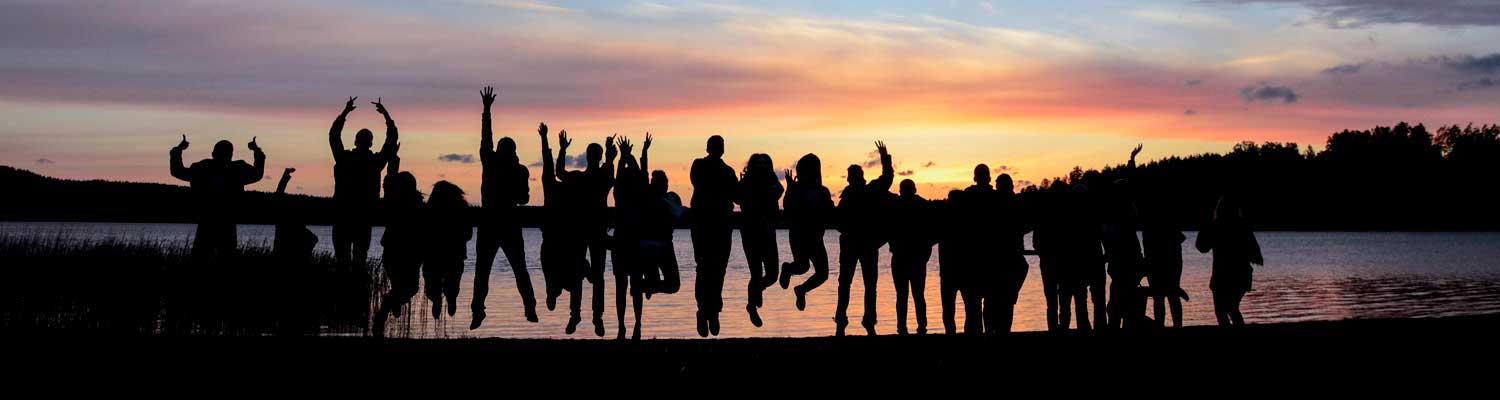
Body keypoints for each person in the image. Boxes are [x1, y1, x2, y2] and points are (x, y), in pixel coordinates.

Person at [472, 86, 538, 330]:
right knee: (518, 269)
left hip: (492, 222)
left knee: (483, 272)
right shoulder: (519, 170)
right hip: (507, 223)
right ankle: (529, 306)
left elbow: (485, 138)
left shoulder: (491, 163)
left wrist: (487, 111)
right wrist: (487, 111)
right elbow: (523, 199)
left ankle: (478, 311)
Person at [558, 133, 616, 338]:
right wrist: (610, 155)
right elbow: (561, 174)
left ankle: (584, 316)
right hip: (589, 231)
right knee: (591, 275)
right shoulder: (590, 178)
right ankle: (590, 317)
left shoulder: (581, 178)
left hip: (588, 231)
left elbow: (559, 173)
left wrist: (563, 149)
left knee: (583, 275)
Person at [328, 96, 398, 266]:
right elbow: (391, 140)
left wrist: (345, 112)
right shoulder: (375, 162)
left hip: (343, 216)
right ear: (371, 143)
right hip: (363, 218)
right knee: (360, 260)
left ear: (356, 141)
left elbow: (333, 135)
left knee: (342, 261)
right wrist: (386, 116)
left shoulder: (344, 159)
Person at [169, 134, 265, 258]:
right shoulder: (236, 170)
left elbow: (178, 171)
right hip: (220, 221)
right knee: (218, 256)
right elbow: (257, 173)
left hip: (213, 221)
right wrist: (256, 151)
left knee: (206, 256)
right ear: (231, 155)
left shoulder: (204, 168)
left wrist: (179, 149)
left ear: (213, 153)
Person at [835, 141, 894, 336]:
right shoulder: (865, 192)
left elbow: (886, 178)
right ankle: (855, 320)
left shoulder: (859, 193)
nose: (853, 179)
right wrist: (885, 159)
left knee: (850, 283)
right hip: (861, 244)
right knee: (859, 284)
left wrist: (885, 159)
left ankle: (851, 320)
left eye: (853, 175)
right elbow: (886, 178)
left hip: (861, 244)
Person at [538, 124, 588, 335]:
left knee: (570, 279)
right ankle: (561, 298)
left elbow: (551, 170)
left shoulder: (556, 192)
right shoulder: (565, 194)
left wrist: (551, 143)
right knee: (571, 280)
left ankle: (566, 303)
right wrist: (550, 144)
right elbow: (551, 169)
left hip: (560, 243)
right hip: (561, 243)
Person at [690, 135, 737, 337]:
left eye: (721, 145)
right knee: (705, 268)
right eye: (718, 145)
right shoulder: (700, 165)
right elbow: (699, 184)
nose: (720, 148)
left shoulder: (728, 171)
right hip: (704, 224)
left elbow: (736, 195)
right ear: (709, 147)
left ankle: (712, 311)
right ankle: (704, 311)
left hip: (721, 225)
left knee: (717, 270)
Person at [372, 151, 423, 337]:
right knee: (409, 288)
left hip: (397, 253)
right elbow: (389, 182)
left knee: (404, 287)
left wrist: (393, 162)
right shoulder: (414, 205)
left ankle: (389, 305)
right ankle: (388, 306)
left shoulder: (394, 202)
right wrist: (393, 162)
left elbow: (389, 183)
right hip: (405, 253)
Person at [1197, 195, 1262, 327]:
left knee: (1223, 310)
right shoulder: (1242, 226)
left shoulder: (1217, 225)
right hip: (1241, 275)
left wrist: (1205, 225)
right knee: (1231, 308)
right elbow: (1256, 255)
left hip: (1222, 275)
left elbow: (1202, 247)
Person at [781, 154, 834, 312]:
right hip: (799, 235)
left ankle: (801, 289)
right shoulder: (797, 189)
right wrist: (790, 189)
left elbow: (829, 211)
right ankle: (788, 270)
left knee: (822, 273)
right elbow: (788, 209)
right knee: (803, 266)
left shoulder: (822, 191)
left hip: (815, 237)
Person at [735, 153, 783, 328]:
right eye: (758, 163)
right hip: (750, 232)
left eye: (765, 163)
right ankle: (751, 305)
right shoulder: (746, 182)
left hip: (768, 232)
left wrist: (771, 177)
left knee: (772, 275)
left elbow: (780, 191)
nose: (762, 165)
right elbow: (737, 198)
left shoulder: (771, 183)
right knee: (755, 273)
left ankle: (756, 292)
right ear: (752, 165)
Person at [1103, 145, 1147, 329]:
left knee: (1117, 304)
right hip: (1129, 263)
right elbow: (1132, 185)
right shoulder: (1126, 212)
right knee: (1124, 304)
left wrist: (1131, 161)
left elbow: (1131, 185)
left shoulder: (1120, 213)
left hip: (1124, 264)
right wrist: (1131, 161)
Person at [611, 136, 647, 340]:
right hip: (632, 241)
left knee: (623, 286)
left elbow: (624, 173)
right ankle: (634, 325)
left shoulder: (621, 192)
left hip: (624, 240)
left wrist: (625, 156)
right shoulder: (639, 191)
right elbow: (641, 174)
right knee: (634, 285)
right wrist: (633, 155)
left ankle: (624, 326)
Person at [888, 179, 935, 335]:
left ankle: (905, 327)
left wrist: (924, 254)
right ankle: (918, 326)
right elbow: (932, 234)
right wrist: (925, 254)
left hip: (907, 257)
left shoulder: (896, 205)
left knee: (905, 295)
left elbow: (931, 234)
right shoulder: (922, 205)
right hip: (912, 257)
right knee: (915, 295)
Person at [1058, 183, 1107, 331]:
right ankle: (1093, 327)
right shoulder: (1094, 215)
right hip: (1091, 263)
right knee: (1091, 300)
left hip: (1086, 264)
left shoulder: (1070, 218)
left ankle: (1087, 327)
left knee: (1085, 300)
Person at [989, 173, 1031, 335]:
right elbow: (1027, 223)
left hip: (1002, 257)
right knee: (1004, 300)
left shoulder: (996, 202)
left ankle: (996, 330)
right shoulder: (1015, 202)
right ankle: (1001, 330)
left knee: (998, 299)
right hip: (1005, 256)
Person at [424, 180, 472, 320]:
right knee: (448, 283)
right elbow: (468, 235)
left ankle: (443, 300)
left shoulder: (430, 210)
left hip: (441, 255)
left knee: (438, 283)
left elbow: (468, 234)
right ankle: (443, 300)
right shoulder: (461, 209)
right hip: (445, 255)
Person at [1031, 180, 1069, 332]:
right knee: (1063, 300)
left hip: (1048, 263)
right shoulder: (1068, 216)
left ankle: (1053, 329)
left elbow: (1036, 242)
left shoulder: (1043, 215)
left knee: (1052, 301)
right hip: (1062, 262)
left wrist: (1044, 254)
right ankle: (1062, 328)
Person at [1143, 203, 1188, 328]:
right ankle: (1177, 325)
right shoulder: (1169, 222)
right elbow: (1181, 239)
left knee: (1159, 297)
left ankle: (1160, 326)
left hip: (1155, 263)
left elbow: (1147, 245)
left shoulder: (1149, 225)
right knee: (1172, 296)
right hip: (1171, 263)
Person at [937, 189, 970, 334]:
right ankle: (969, 333)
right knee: (970, 306)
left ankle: (951, 333)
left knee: (949, 307)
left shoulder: (943, 221)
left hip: (949, 271)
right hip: (964, 269)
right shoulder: (968, 220)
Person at [272, 168, 317, 263]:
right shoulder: (289, 226)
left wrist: (285, 175)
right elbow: (278, 197)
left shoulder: (283, 224)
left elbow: (278, 196)